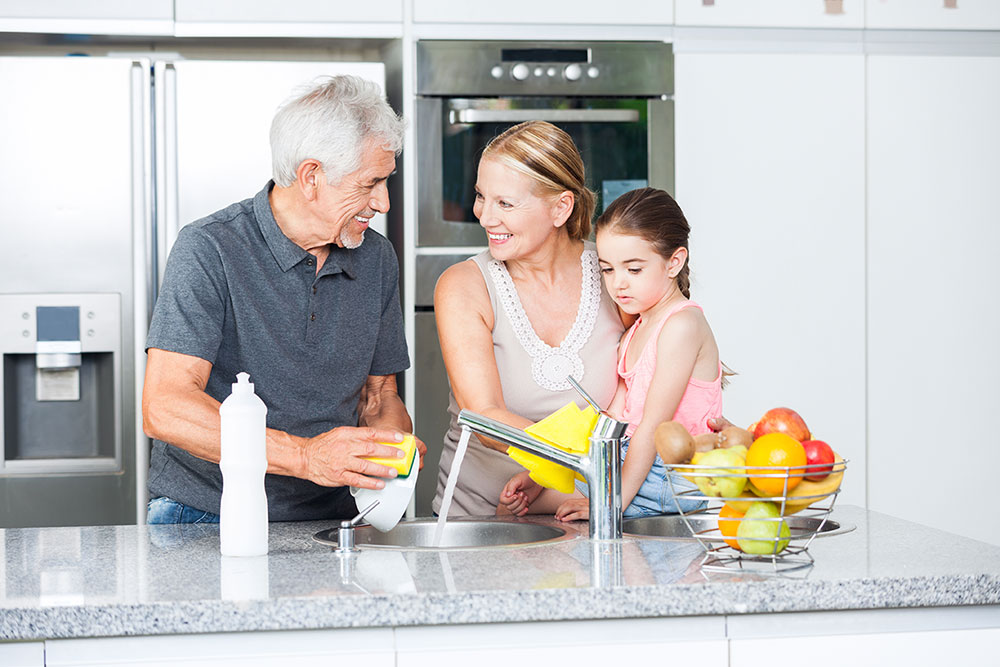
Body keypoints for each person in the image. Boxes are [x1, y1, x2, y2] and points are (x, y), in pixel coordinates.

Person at [142, 75, 425, 524]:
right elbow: (166, 406)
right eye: (370, 183)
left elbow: (379, 395)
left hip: (336, 515)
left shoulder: (376, 258)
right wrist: (305, 456)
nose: (384, 202)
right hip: (206, 512)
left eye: (386, 181)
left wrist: (386, 450)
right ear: (311, 177)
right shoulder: (209, 248)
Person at [432, 121, 627, 517]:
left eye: (505, 204)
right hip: (479, 523)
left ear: (561, 208)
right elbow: (485, 417)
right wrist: (580, 459)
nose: (485, 217)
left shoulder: (614, 274)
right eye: (481, 197)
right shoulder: (464, 285)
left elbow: (643, 393)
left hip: (589, 512)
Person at [499, 187, 722, 520]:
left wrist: (610, 501)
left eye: (633, 270)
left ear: (674, 262)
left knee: (543, 511)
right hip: (636, 464)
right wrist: (544, 477)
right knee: (523, 503)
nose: (618, 284)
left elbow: (651, 426)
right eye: (608, 269)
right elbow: (612, 421)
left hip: (672, 475)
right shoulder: (636, 329)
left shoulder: (682, 325)